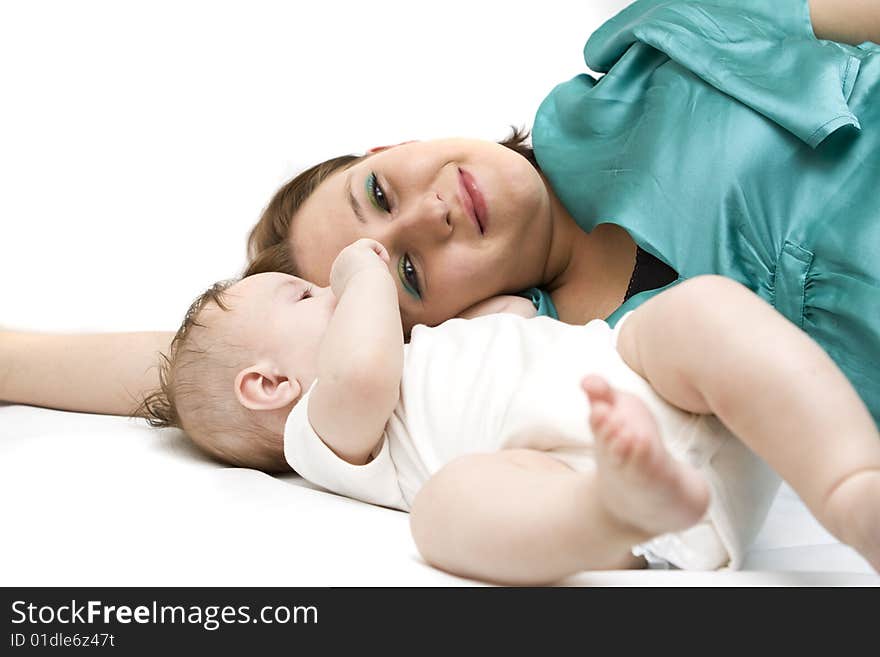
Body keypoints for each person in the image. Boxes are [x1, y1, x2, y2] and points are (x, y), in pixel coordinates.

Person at [1, 0, 878, 436]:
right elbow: (209, 359)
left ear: (397, 143)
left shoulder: (645, 48)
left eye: (378, 190)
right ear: (431, 330)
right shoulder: (576, 364)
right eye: (406, 275)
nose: (427, 214)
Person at [140, 238, 880, 585]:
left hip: (657, 380)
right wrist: (359, 270)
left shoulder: (424, 349)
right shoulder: (317, 429)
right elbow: (363, 370)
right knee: (447, 508)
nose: (327, 294)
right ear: (269, 385)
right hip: (594, 478)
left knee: (705, 307)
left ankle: (850, 485)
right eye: (303, 297)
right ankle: (610, 511)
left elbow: (506, 333)